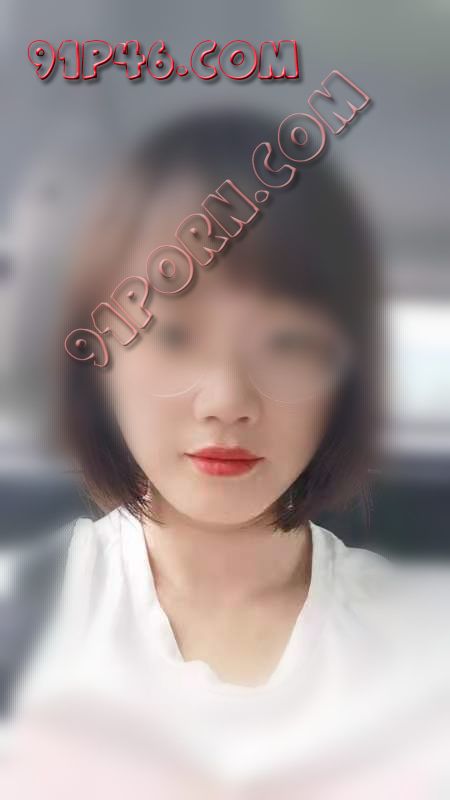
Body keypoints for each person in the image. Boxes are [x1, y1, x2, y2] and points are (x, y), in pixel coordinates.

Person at [6, 109, 450, 798]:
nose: (227, 399)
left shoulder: (431, 645)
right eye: (174, 336)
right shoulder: (20, 615)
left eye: (287, 343)